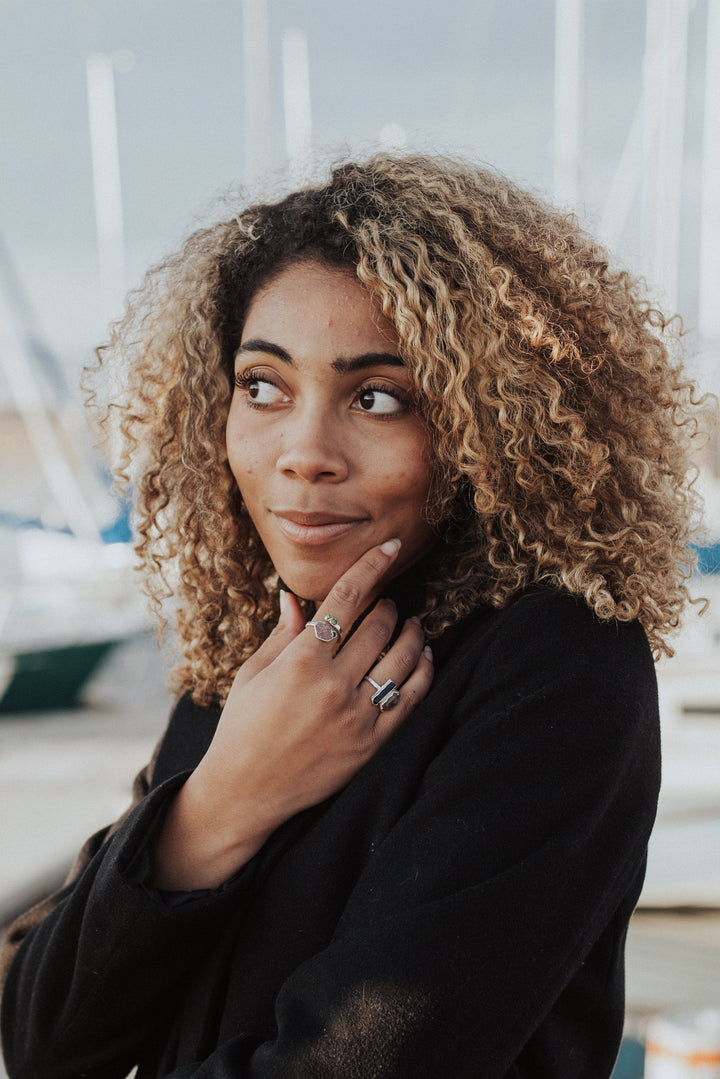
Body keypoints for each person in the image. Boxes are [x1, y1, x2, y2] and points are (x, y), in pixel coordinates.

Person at [0, 154, 705, 1078]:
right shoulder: (263, 646)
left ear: (485, 425)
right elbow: (44, 1035)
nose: (304, 453)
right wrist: (220, 803)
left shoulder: (558, 664)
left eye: (378, 398)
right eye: (263, 385)